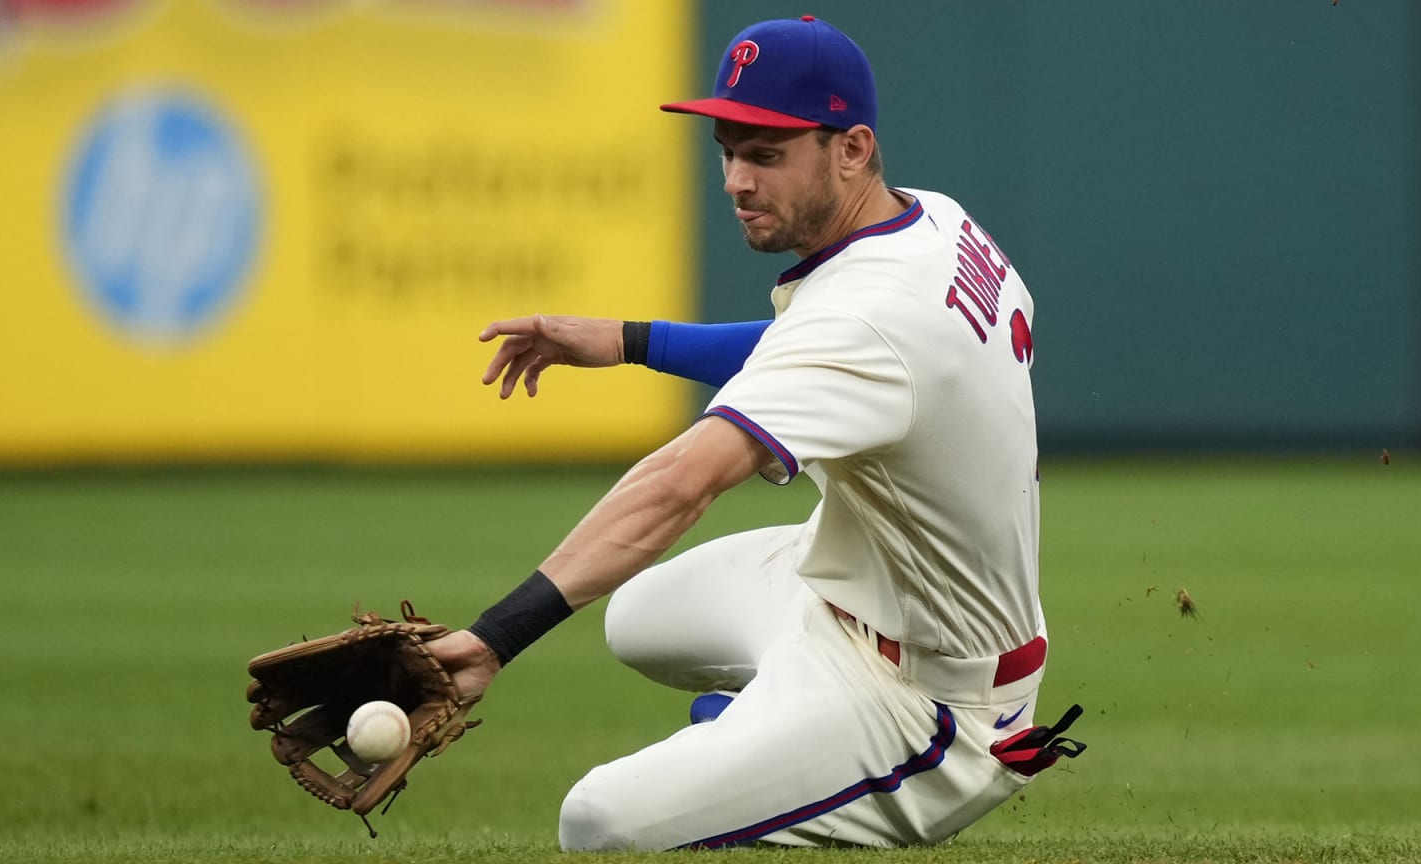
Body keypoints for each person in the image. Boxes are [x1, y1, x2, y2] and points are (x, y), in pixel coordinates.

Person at [427, 14, 1082, 850]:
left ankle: (779, 754)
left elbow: (681, 482)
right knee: (638, 616)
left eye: (766, 154)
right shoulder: (933, 222)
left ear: (851, 149)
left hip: (936, 701)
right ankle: (766, 731)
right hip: (841, 592)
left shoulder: (871, 315)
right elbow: (806, 350)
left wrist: (493, 637)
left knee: (596, 823)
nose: (737, 179)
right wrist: (631, 341)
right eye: (729, 149)